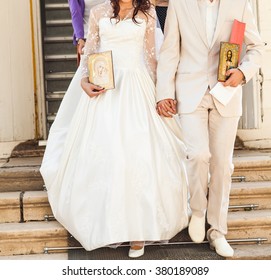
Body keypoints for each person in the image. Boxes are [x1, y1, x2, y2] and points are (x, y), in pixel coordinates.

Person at [40, 0, 189, 258]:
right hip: (106, 88)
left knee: (138, 156)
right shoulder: (98, 12)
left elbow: (152, 57)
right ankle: (109, 223)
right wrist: (85, 81)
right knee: (108, 156)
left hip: (137, 86)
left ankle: (138, 231)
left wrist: (160, 94)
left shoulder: (148, 13)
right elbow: (90, 53)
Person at [156, 0, 264, 258]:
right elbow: (170, 50)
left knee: (222, 166)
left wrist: (244, 72)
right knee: (198, 154)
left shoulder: (239, 4)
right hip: (191, 91)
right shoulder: (180, 5)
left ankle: (217, 231)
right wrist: (164, 93)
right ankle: (197, 210)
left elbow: (257, 47)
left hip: (226, 93)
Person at [68, 0, 106, 64]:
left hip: (109, 36)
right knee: (90, 69)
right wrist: (80, 38)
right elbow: (75, 12)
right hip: (87, 38)